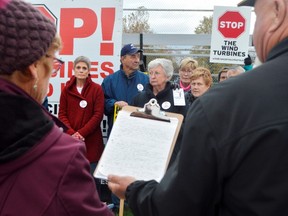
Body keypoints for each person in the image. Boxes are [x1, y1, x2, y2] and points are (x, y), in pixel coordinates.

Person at [107, 0, 288, 215]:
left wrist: (135, 191)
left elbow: (180, 202)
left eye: (256, 16)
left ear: (278, 10)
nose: (255, 31)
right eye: (151, 72)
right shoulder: (140, 95)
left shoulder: (225, 104)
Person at [0, 1, 113, 215]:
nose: (53, 70)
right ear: (33, 68)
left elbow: (97, 114)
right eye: (53, 61)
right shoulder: (60, 159)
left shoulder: (96, 89)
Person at [58, 56, 105, 184]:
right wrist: (72, 133)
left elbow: (98, 115)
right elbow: (61, 114)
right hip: (70, 141)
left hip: (91, 142)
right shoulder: (66, 90)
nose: (81, 70)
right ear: (73, 70)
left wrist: (82, 133)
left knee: (91, 181)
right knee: (72, 180)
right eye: (78, 67)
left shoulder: (97, 89)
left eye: (84, 68)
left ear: (89, 71)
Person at [101, 43, 149, 136]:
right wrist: (114, 103)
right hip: (116, 132)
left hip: (139, 132)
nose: (137, 60)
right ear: (122, 59)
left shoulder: (146, 79)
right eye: (133, 57)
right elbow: (102, 103)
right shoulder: (109, 80)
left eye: (138, 57)